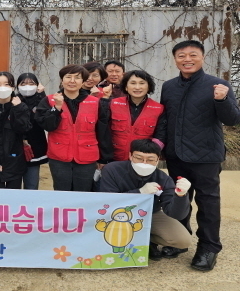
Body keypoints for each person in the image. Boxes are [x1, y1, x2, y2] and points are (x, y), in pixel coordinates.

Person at [160, 40, 240, 271]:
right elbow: (165, 119)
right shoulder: (169, 86)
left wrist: (222, 100)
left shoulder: (219, 85)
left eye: (193, 55)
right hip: (176, 155)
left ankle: (209, 247)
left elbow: (232, 119)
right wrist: (161, 147)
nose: (187, 59)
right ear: (175, 60)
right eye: (181, 55)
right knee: (179, 200)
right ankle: (179, 240)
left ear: (202, 57)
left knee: (208, 203)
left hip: (206, 156)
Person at [99, 139, 192, 261]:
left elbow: (175, 214)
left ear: (158, 160)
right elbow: (108, 201)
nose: (144, 163)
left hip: (150, 213)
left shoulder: (163, 178)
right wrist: (139, 192)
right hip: (116, 215)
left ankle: (147, 239)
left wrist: (181, 195)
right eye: (139, 158)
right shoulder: (112, 170)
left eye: (150, 159)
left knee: (183, 240)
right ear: (130, 156)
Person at [35, 64, 112, 191]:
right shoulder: (49, 100)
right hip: (59, 157)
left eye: (77, 77)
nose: (72, 81)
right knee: (62, 191)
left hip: (87, 156)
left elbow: (103, 132)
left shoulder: (95, 102)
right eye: (68, 77)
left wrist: (104, 158)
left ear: (83, 81)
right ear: (62, 80)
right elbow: (48, 126)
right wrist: (56, 108)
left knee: (84, 191)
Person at [108, 70, 166, 161]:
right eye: (133, 83)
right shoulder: (113, 104)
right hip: (114, 159)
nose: (137, 87)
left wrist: (150, 155)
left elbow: (161, 136)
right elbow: (104, 132)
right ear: (126, 87)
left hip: (142, 161)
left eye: (142, 83)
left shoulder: (158, 109)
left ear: (148, 87)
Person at [16, 72, 48, 190]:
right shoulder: (14, 100)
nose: (27, 86)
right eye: (23, 83)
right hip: (15, 147)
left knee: (32, 185)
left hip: (35, 148)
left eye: (31, 83)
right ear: (17, 86)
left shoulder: (41, 100)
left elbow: (44, 119)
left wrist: (42, 95)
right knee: (14, 185)